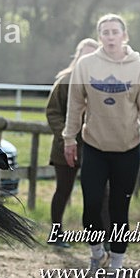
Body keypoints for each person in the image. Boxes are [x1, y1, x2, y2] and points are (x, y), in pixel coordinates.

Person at [63, 13, 140, 278]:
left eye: (114, 32)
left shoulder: (138, 68)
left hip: (128, 149)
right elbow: (75, 104)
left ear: (124, 36)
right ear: (99, 37)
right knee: (91, 206)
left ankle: (116, 273)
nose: (109, 36)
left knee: (119, 212)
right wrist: (68, 138)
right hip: (94, 146)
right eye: (104, 32)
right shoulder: (86, 65)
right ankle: (97, 255)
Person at [45, 38, 98, 248]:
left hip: (94, 148)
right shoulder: (66, 81)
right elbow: (53, 112)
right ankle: (56, 232)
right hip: (64, 147)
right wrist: (66, 136)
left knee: (98, 191)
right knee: (63, 190)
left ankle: (97, 236)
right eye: (84, 55)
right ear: (78, 56)